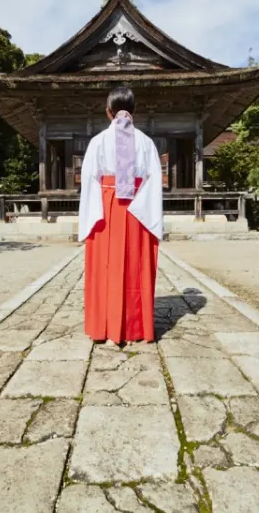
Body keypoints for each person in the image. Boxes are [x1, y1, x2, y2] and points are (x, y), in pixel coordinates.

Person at [78, 86, 163, 344]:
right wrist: (148, 212)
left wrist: (90, 216)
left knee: (106, 265)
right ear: (133, 111)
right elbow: (154, 179)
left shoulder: (98, 142)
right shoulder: (146, 142)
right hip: (138, 209)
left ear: (108, 112)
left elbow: (89, 180)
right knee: (135, 265)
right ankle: (135, 327)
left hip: (105, 207)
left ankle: (103, 326)